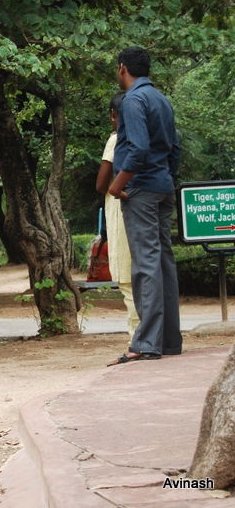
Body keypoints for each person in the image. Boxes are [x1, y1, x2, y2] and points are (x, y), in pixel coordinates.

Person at [107, 46, 181, 365]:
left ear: (123, 68)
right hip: (163, 187)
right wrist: (165, 178)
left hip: (142, 190)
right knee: (164, 261)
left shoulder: (133, 101)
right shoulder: (161, 100)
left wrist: (117, 185)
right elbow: (175, 150)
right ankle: (169, 339)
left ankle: (147, 342)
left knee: (145, 263)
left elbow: (136, 150)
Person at [96, 92, 140, 342]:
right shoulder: (145, 138)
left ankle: (138, 338)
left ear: (113, 116)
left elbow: (102, 184)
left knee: (127, 281)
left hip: (121, 215)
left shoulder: (116, 140)